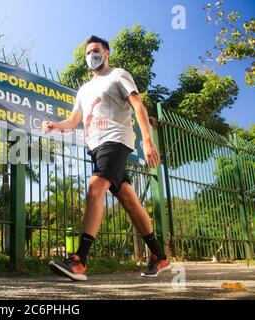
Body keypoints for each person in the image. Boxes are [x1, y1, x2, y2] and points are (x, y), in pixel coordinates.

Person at [43, 35, 171, 281]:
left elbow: (137, 104)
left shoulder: (118, 75)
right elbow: (74, 120)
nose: (92, 55)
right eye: (88, 53)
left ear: (107, 53)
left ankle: (79, 261)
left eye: (96, 51)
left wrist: (147, 140)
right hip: (96, 147)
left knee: (95, 187)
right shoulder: (84, 89)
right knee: (130, 200)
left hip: (116, 140)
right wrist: (56, 125)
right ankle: (159, 256)